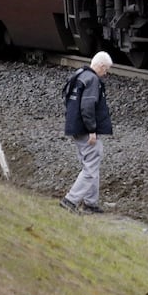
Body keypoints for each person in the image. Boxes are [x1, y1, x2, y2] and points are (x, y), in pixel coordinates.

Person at [61, 50, 113, 213]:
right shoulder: (92, 80)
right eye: (106, 70)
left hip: (75, 127)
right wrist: (92, 130)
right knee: (90, 167)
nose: (105, 74)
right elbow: (88, 106)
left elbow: (66, 97)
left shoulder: (79, 74)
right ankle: (70, 200)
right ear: (101, 66)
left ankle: (91, 203)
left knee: (91, 164)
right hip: (86, 129)